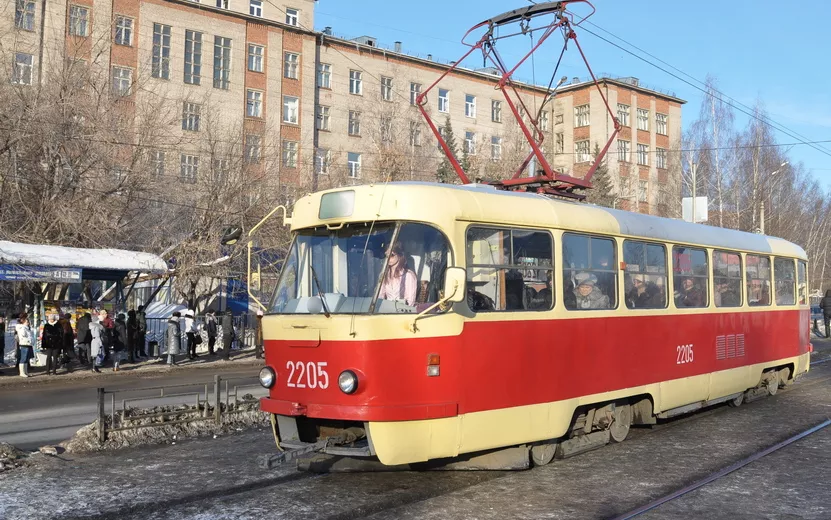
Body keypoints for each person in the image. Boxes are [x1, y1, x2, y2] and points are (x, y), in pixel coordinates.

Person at [14, 313, 33, 378]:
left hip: (28, 343)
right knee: (23, 358)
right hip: (24, 343)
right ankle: (22, 372)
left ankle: (25, 371)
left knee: (26, 358)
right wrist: (25, 328)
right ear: (24, 322)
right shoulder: (22, 328)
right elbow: (23, 335)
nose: (28, 323)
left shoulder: (26, 327)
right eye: (27, 322)